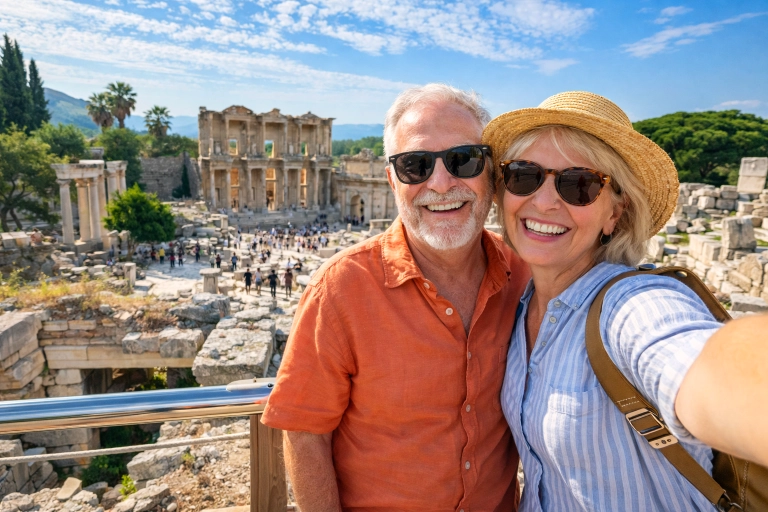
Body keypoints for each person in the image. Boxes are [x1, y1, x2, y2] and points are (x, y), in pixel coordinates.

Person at [482, 91, 768, 511]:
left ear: (615, 214)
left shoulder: (632, 305)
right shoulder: (517, 303)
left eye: (579, 185)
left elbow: (698, 362)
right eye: (524, 176)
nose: (543, 201)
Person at [262, 84, 530, 511]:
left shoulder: (526, 276)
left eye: (463, 159)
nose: (440, 184)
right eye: (415, 165)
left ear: (491, 173)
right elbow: (305, 433)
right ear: (392, 179)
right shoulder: (339, 290)